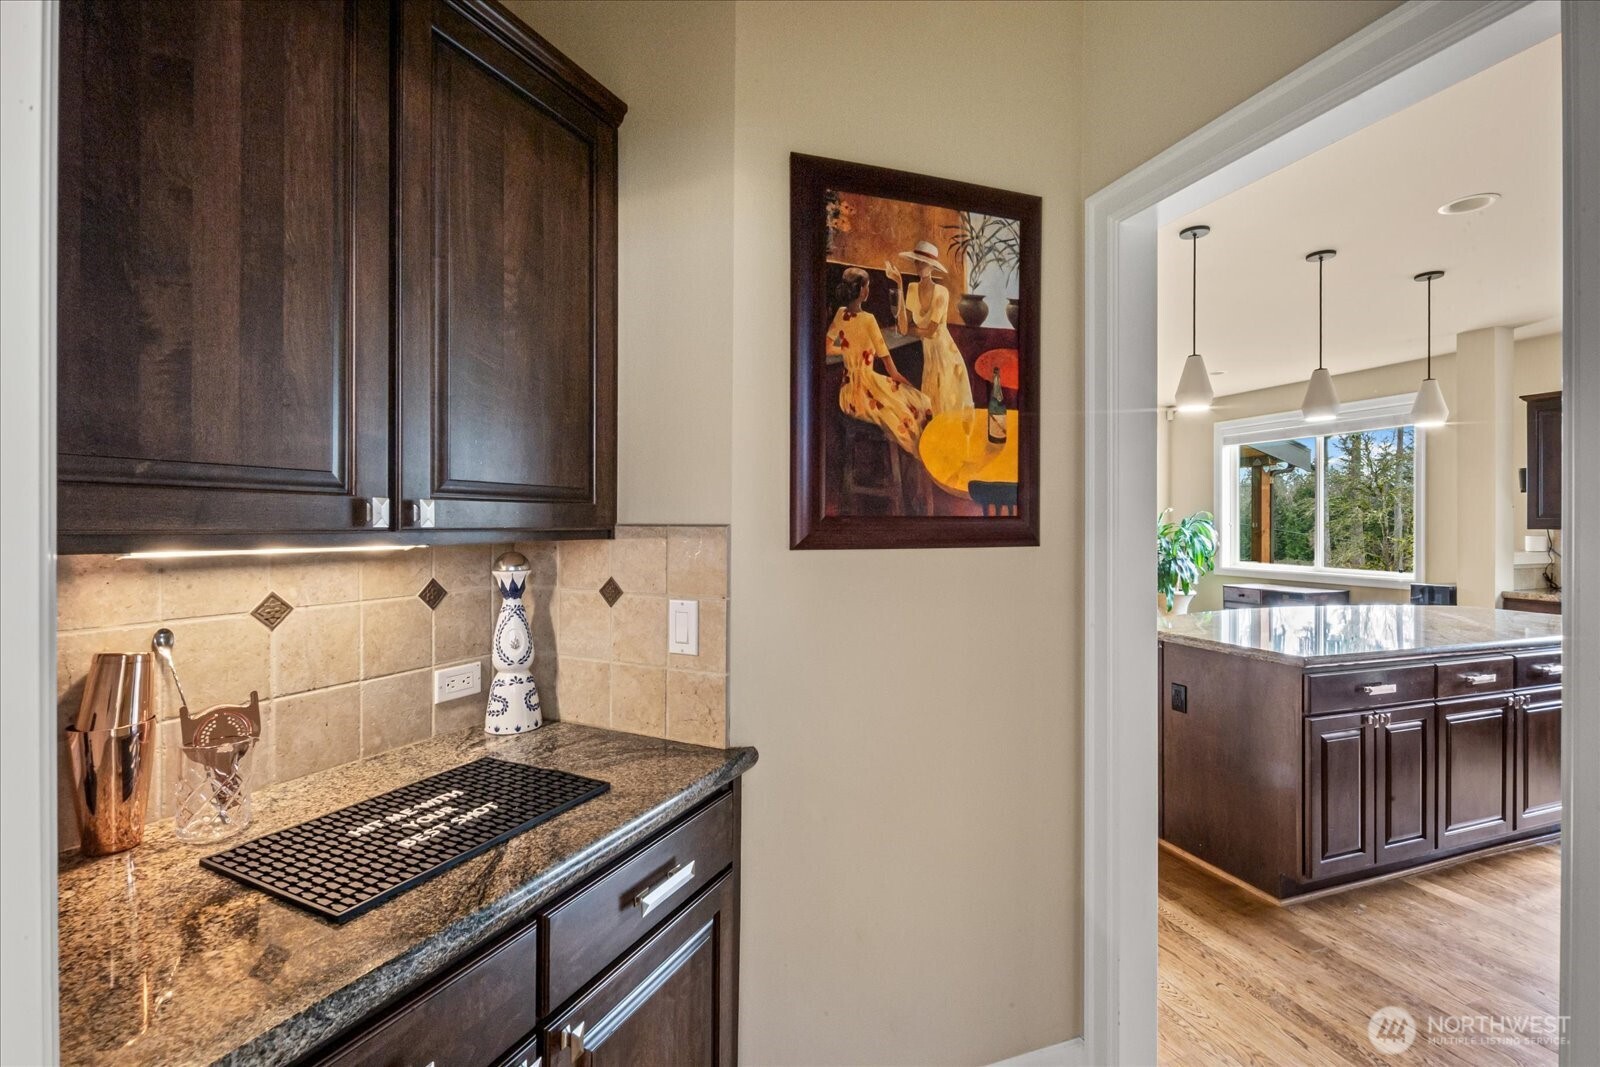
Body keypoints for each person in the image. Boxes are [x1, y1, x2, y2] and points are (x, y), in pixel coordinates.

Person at [825, 267, 931, 454]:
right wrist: (912, 389)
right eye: (867, 286)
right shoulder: (869, 320)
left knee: (902, 406)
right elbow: (893, 372)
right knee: (919, 403)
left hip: (847, 394)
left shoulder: (841, 313)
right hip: (865, 392)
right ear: (862, 291)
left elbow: (826, 348)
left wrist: (849, 352)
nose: (868, 290)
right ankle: (926, 453)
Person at [886, 239, 975, 415]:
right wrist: (899, 284)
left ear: (932, 266)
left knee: (947, 406)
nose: (919, 266)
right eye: (917, 262)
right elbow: (903, 327)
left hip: (946, 355)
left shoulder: (942, 292)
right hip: (929, 355)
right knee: (932, 406)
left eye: (924, 263)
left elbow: (931, 331)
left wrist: (910, 330)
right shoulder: (911, 288)